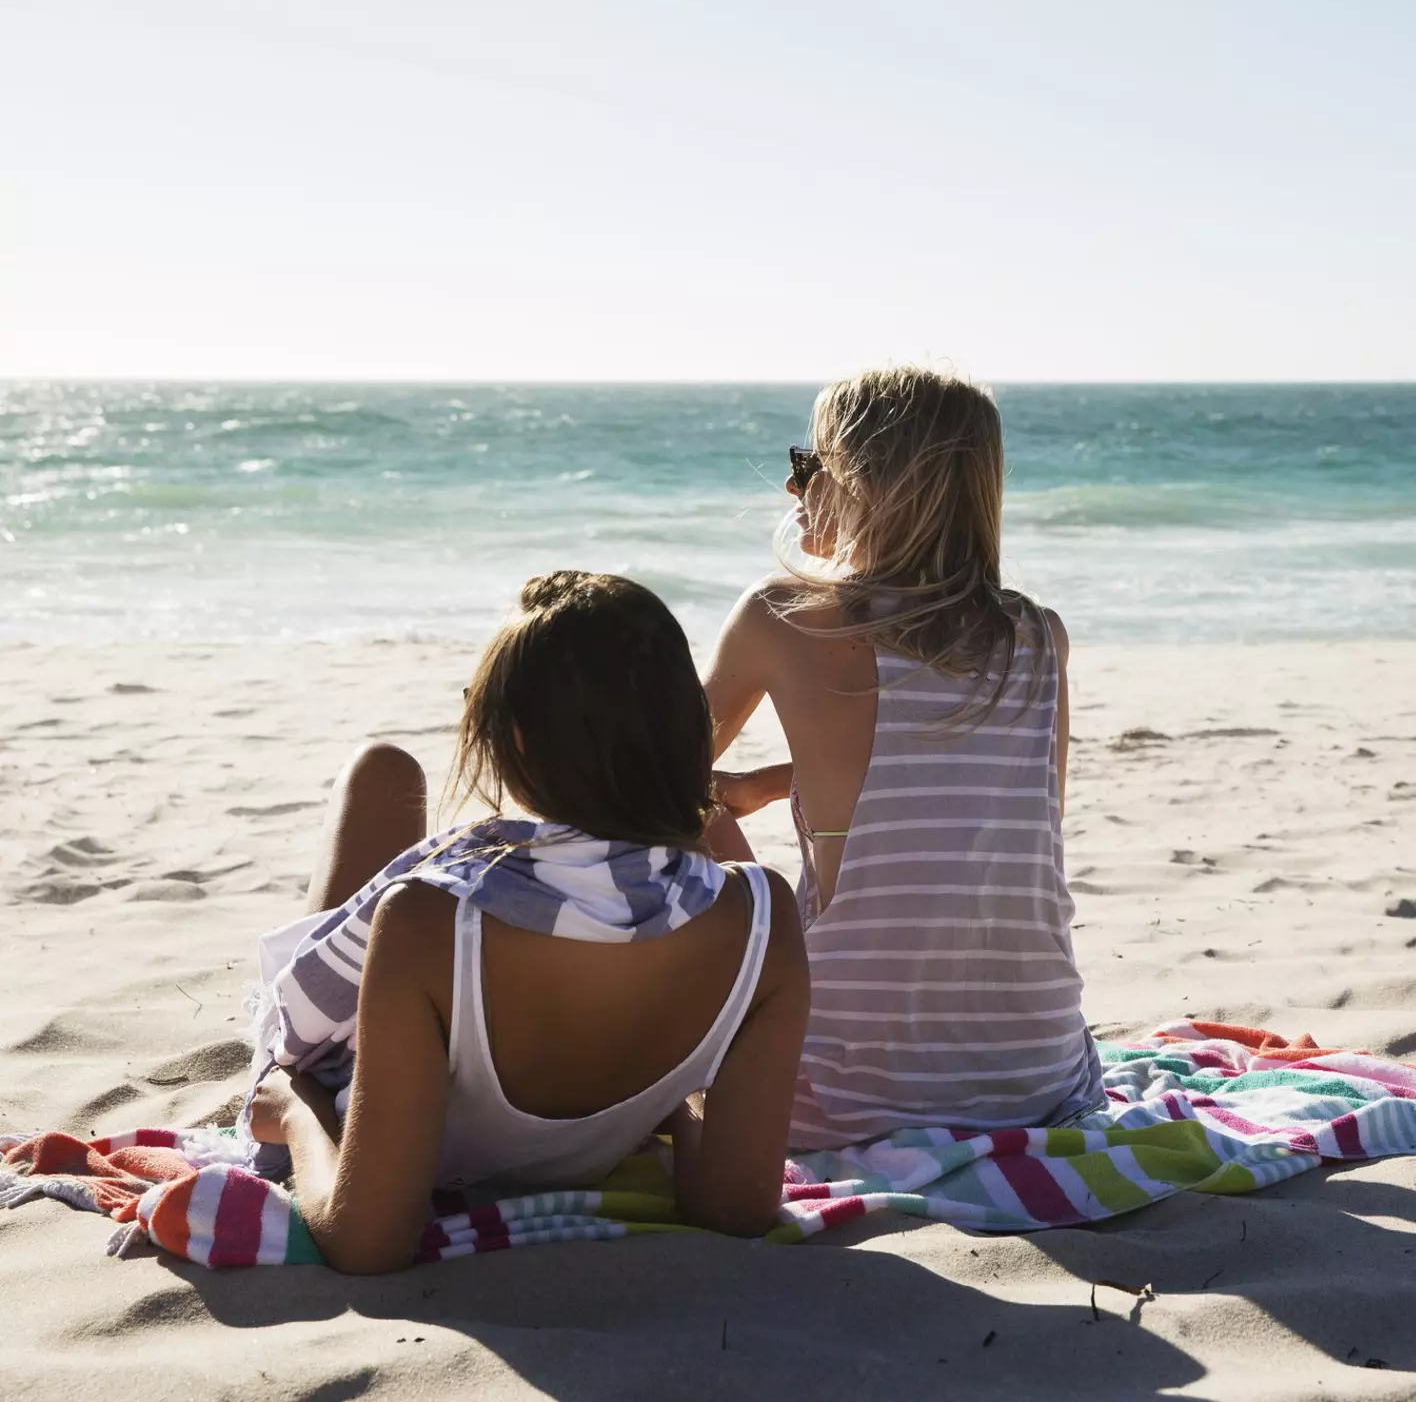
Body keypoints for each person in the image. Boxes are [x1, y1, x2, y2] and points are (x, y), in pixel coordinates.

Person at [246, 572, 809, 1273]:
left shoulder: (427, 919)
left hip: (361, 1070)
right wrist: (666, 1097)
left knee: (379, 770)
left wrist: (296, 1111)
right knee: (392, 779)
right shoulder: (762, 918)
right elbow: (738, 1208)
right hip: (603, 1078)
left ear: (513, 734)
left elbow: (367, 1241)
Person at [702, 367, 1104, 1150]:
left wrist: (720, 814)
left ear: (859, 483)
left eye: (807, 464)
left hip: (841, 1094)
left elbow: (633, 773)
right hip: (1039, 1082)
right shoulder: (1039, 636)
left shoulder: (784, 615)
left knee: (672, 810)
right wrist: (767, 784)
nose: (795, 490)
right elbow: (1001, 803)